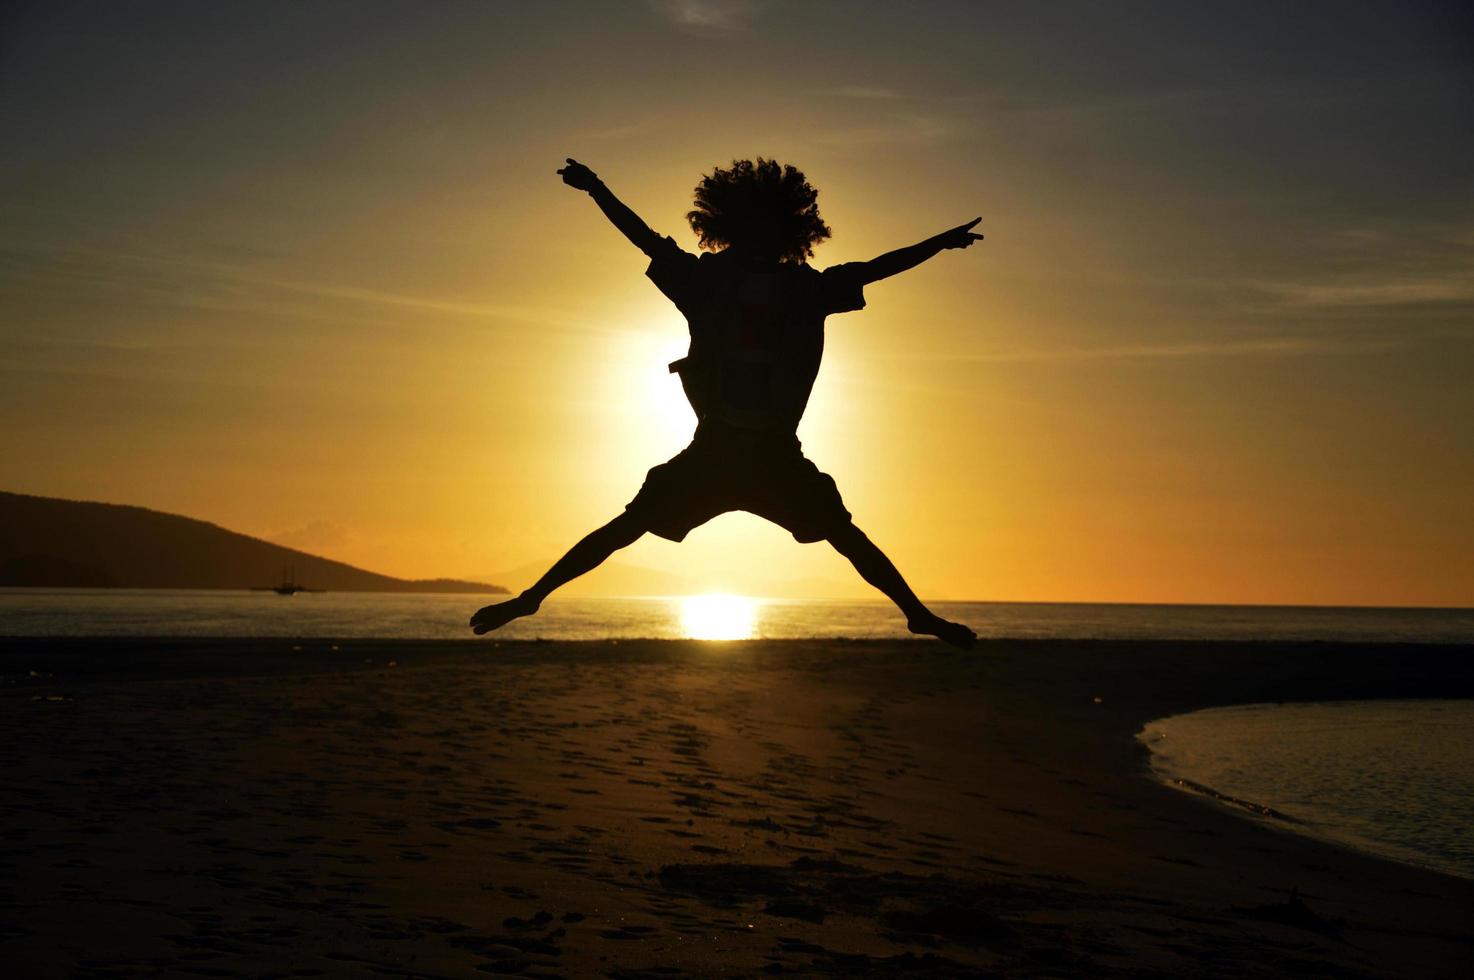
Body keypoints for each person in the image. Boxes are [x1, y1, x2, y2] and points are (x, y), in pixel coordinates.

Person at [471, 157, 981, 648]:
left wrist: (941, 243)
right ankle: (531, 598)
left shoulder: (807, 289)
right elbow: (644, 239)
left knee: (844, 534)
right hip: (717, 446)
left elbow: (877, 268)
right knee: (627, 525)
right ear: (733, 226)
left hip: (774, 452)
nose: (760, 237)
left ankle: (917, 615)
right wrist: (597, 189)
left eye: (770, 226)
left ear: (786, 230)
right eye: (751, 226)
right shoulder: (706, 282)